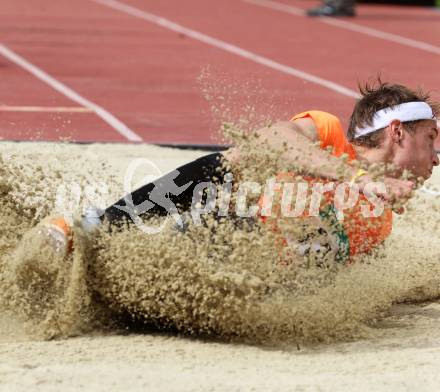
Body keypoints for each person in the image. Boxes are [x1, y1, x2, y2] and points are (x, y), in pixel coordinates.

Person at [43, 80, 439, 264]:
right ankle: (103, 225)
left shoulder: (380, 222)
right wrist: (357, 180)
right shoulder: (327, 132)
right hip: (213, 221)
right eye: (431, 138)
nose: (437, 157)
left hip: (244, 275)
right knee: (246, 158)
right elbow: (272, 139)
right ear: (397, 132)